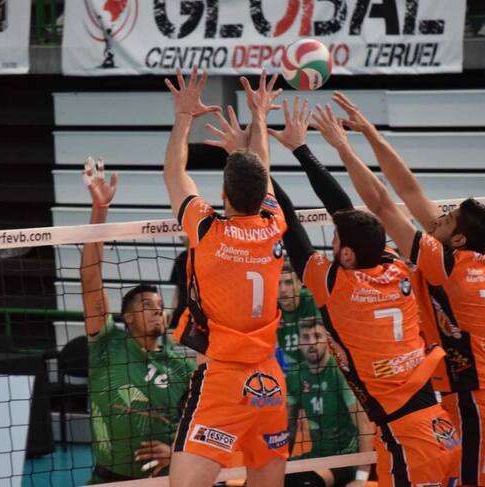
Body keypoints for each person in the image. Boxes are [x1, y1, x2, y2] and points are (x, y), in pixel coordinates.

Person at [268, 96, 460, 486]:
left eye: (336, 240)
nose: (331, 243)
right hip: (428, 425)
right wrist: (301, 149)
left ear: (348, 255)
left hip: (412, 439)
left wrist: (259, 160)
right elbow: (342, 209)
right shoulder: (393, 266)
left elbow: (288, 224)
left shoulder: (336, 286)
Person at [329, 92, 485, 486]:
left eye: (447, 219)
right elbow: (410, 191)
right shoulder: (467, 255)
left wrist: (341, 146)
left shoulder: (448, 267)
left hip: (473, 404)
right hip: (462, 399)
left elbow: (383, 205)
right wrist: (370, 132)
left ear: (457, 238)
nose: (437, 218)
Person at [163, 67, 288, 487]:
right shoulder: (274, 224)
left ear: (222, 195)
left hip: (222, 379)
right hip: (269, 381)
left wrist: (184, 115)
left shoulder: (207, 231)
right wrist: (260, 117)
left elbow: (174, 173)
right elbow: (262, 169)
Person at [80, 158, 195, 483]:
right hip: (108, 478)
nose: (158, 310)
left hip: (164, 479)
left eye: (160, 306)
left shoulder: (181, 368)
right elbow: (90, 279)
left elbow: (203, 424)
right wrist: (100, 211)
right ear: (127, 318)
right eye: (147, 305)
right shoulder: (107, 345)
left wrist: (177, 450)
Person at [285, 315, 373, 487]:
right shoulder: (296, 376)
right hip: (316, 457)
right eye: (306, 337)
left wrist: (361, 478)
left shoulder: (339, 372)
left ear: (326, 339)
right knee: (259, 480)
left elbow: (364, 425)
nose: (312, 343)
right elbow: (290, 428)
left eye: (317, 336)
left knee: (307, 483)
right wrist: (279, 464)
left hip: (345, 459)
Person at [278, 260, 317, 371]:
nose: (283, 290)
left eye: (289, 282)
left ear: (300, 283)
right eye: (278, 283)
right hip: (284, 371)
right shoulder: (269, 309)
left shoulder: (314, 302)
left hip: (315, 369)